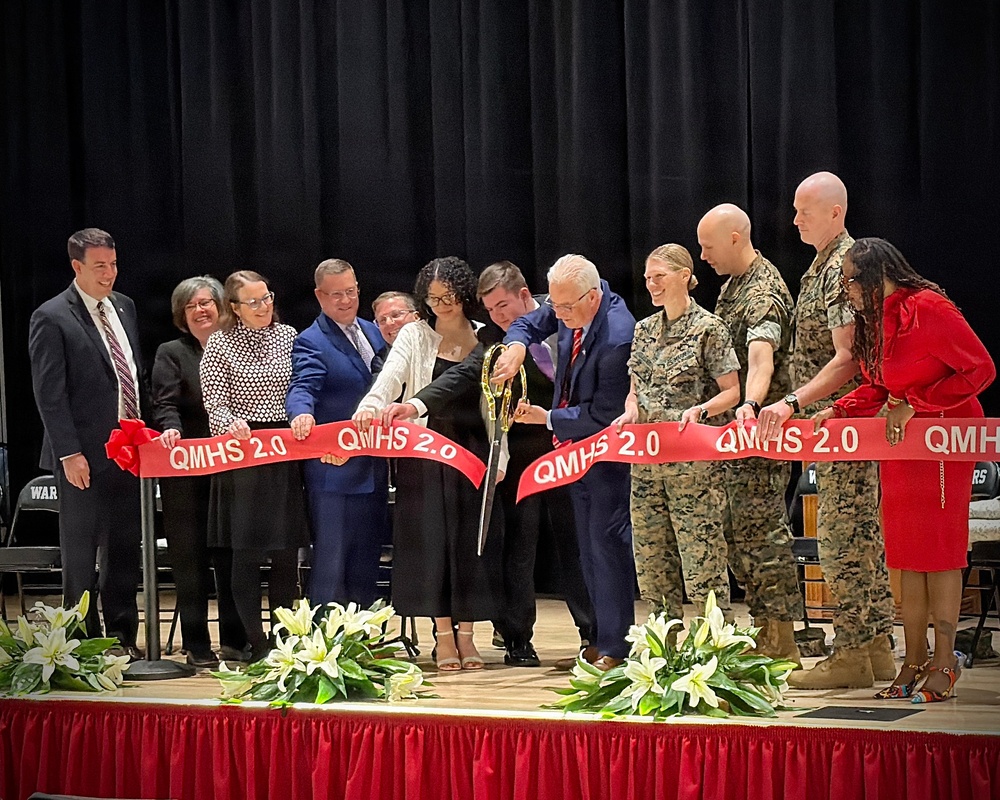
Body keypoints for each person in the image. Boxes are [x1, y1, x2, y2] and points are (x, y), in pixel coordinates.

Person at [391, 261, 597, 668]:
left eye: (504, 306)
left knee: (577, 545)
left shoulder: (567, 317)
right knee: (518, 549)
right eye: (491, 310)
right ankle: (517, 638)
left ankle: (593, 635)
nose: (499, 318)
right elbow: (465, 376)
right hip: (518, 454)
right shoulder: (494, 341)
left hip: (570, 450)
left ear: (526, 296)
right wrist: (416, 405)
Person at [817, 238, 994, 702]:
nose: (847, 290)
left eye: (851, 279)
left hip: (942, 436)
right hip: (900, 442)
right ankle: (911, 660)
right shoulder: (874, 322)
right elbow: (878, 389)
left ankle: (944, 661)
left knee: (940, 551)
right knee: (907, 553)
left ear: (879, 274)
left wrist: (916, 405)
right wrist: (837, 411)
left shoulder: (929, 308)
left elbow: (979, 370)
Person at [757, 173, 896, 689]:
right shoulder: (822, 265)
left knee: (843, 539)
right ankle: (877, 648)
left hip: (847, 423)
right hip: (833, 425)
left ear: (835, 212)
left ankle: (853, 654)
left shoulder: (844, 265)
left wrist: (793, 401)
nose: (794, 220)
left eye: (804, 210)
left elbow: (848, 358)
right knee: (857, 536)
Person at [354, 257, 505, 672]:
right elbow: (390, 377)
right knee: (431, 543)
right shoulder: (415, 335)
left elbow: (499, 409)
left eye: (450, 298)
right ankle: (442, 637)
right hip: (425, 451)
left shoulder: (488, 338)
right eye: (434, 299)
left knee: (470, 543)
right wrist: (369, 407)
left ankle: (468, 634)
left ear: (465, 295)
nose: (442, 306)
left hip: (473, 451)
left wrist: (501, 456)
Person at [492, 254, 636, 671]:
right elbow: (526, 322)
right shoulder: (566, 304)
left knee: (607, 546)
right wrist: (518, 346)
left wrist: (547, 417)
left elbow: (603, 415)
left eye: (567, 308)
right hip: (573, 453)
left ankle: (617, 645)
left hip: (605, 454)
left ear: (593, 298)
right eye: (555, 306)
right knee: (587, 549)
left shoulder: (617, 337)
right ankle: (600, 637)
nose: (559, 314)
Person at [28, 228, 145, 659]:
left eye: (113, 264)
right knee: (81, 553)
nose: (110, 273)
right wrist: (69, 453)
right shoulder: (52, 316)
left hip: (128, 451)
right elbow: (49, 394)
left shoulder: (125, 307)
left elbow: (130, 374)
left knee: (124, 548)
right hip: (82, 455)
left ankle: (121, 637)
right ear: (77, 267)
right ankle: (78, 641)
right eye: (100, 266)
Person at [612, 244, 741, 624]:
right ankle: (661, 648)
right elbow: (636, 387)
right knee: (651, 561)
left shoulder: (708, 329)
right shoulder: (644, 330)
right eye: (648, 278)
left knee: (702, 561)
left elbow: (732, 391)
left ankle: (715, 648)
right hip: (647, 466)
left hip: (693, 469)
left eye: (659, 277)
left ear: (684, 275)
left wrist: (701, 410)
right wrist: (629, 410)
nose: (651, 285)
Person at [698, 204, 803, 664]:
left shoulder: (763, 290)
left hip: (760, 434)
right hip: (735, 439)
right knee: (739, 534)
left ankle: (780, 642)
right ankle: (766, 630)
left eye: (709, 246)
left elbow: (762, 356)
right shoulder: (732, 288)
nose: (703, 256)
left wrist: (751, 404)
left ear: (737, 237)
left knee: (762, 536)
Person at [200, 270, 309, 662]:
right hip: (241, 455)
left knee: (284, 552)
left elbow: (301, 384)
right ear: (234, 308)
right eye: (254, 302)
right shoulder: (220, 343)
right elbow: (215, 400)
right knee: (245, 554)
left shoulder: (289, 335)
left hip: (283, 450)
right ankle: (256, 642)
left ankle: (284, 640)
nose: (264, 307)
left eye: (267, 298)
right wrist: (230, 423)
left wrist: (302, 413)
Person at [153, 277, 247, 668]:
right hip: (185, 470)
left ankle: (235, 641)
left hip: (231, 472)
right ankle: (196, 643)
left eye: (208, 303)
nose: (202, 310)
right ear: (182, 315)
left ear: (223, 307)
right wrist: (169, 427)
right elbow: (164, 402)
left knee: (230, 557)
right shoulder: (172, 352)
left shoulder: (236, 348)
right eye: (192, 306)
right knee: (189, 559)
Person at [286, 259, 389, 607]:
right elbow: (303, 387)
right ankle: (328, 645)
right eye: (335, 295)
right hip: (334, 472)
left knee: (367, 561)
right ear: (319, 296)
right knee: (332, 565)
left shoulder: (375, 331)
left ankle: (363, 642)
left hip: (374, 466)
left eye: (350, 292)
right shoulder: (311, 341)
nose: (345, 301)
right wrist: (301, 415)